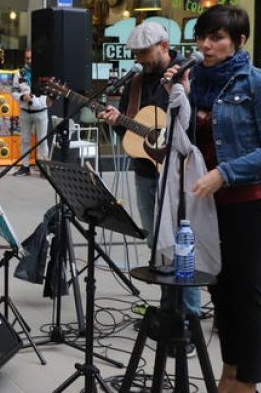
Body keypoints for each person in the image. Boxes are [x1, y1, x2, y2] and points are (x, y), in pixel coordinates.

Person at [165, 4, 261, 393]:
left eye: (216, 37)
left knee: (247, 293)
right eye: (202, 36)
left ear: (240, 41)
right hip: (208, 203)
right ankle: (229, 373)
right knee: (219, 290)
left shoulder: (260, 84)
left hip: (251, 200)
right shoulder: (193, 81)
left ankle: (246, 382)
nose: (206, 44)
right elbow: (188, 141)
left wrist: (225, 173)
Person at [97, 20, 199, 315]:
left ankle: (187, 318)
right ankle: (169, 310)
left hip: (180, 173)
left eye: (144, 53)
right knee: (156, 243)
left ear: (164, 46)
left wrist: (183, 91)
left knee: (182, 246)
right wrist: (118, 122)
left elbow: (193, 126)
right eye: (137, 53)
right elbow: (134, 138)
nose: (139, 59)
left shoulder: (188, 71)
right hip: (145, 172)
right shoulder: (136, 82)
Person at [11, 49, 49, 177]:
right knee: (25, 140)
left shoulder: (44, 73)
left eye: (31, 58)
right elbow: (14, 91)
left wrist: (41, 101)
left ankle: (44, 168)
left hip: (41, 110)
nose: (29, 61)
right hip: (25, 111)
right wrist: (22, 97)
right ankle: (25, 166)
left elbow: (49, 92)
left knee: (42, 140)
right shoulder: (19, 74)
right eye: (27, 58)